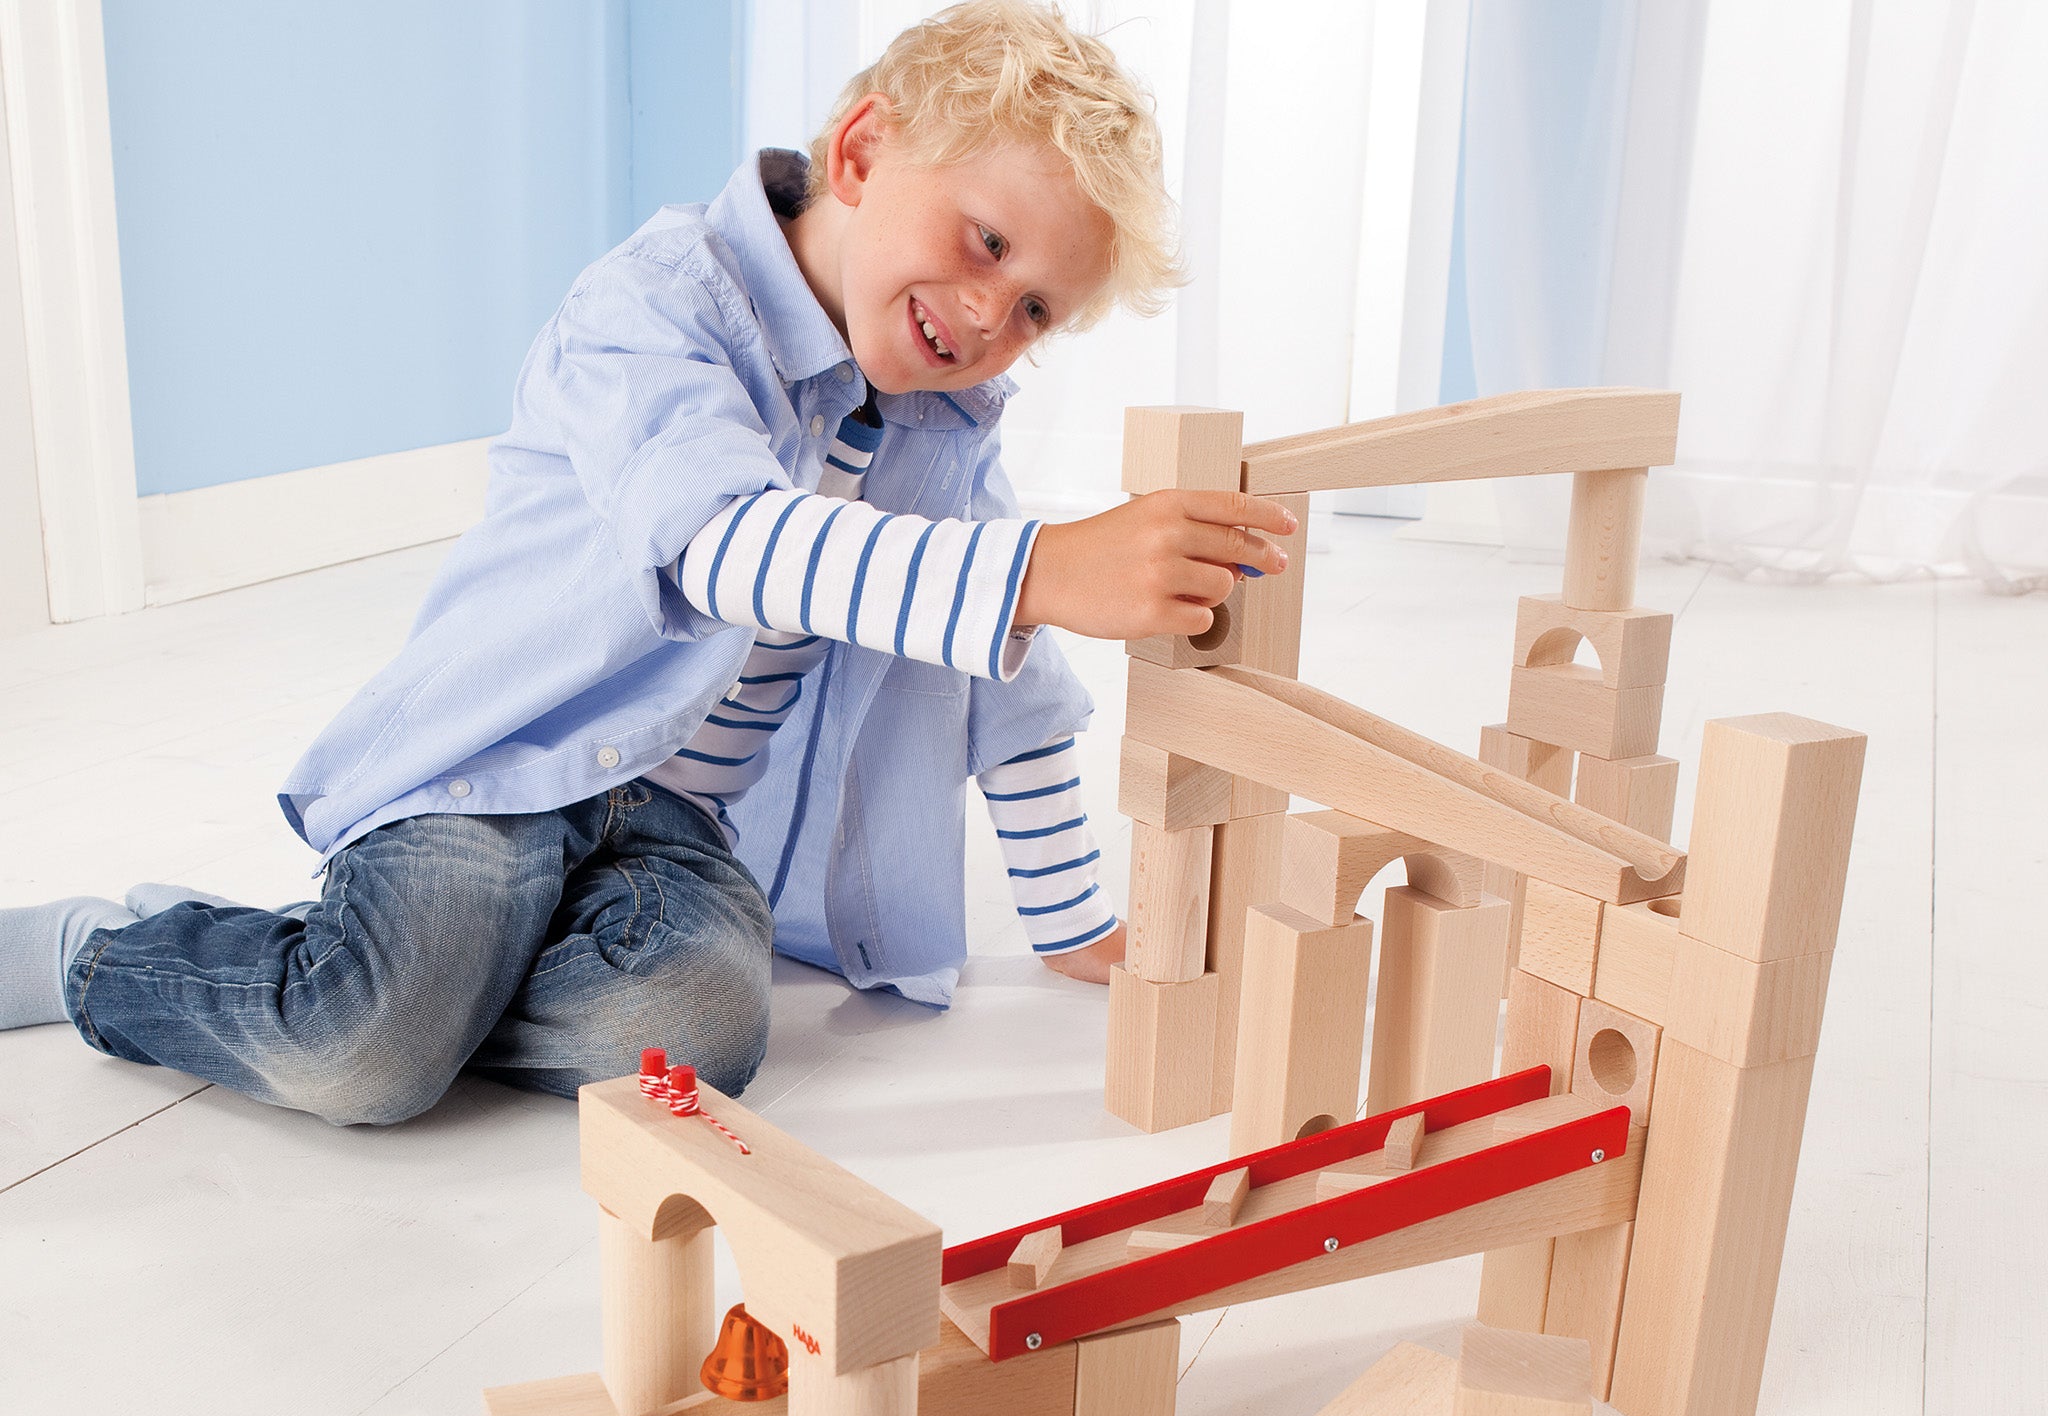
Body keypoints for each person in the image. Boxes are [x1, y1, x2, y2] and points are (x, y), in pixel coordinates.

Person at [0, 0, 1294, 1123]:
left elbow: (1012, 689)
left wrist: (1077, 925)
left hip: (669, 828)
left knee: (695, 1039)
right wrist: (1041, 570)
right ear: (859, 151)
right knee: (365, 1060)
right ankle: (112, 954)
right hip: (498, 771)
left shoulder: (934, 428)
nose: (986, 316)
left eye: (1034, 313)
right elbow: (731, 545)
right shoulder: (657, 309)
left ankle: (402, 988)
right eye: (986, 243)